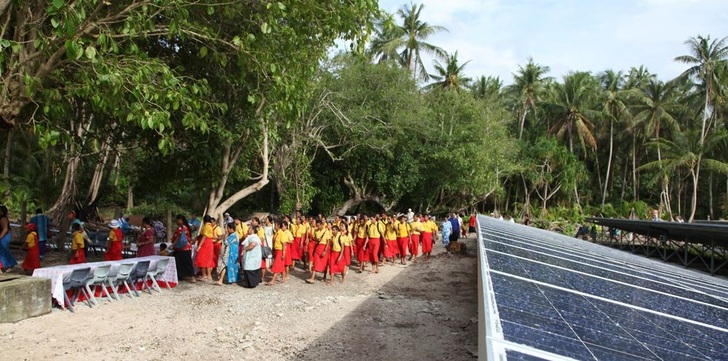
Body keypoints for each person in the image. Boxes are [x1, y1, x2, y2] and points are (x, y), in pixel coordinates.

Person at [172, 214, 195, 283]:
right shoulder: (187, 227)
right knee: (181, 262)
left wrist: (173, 244)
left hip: (182, 248)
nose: (176, 221)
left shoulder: (181, 228)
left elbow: (178, 237)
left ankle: (191, 276)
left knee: (185, 262)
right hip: (185, 248)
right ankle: (181, 275)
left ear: (181, 220)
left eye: (177, 220)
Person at [306, 219, 330, 284]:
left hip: (324, 247)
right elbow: (313, 238)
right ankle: (312, 278)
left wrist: (325, 250)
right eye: (317, 226)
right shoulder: (316, 231)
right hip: (317, 247)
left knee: (324, 263)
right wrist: (317, 239)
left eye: (319, 226)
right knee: (316, 262)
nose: (318, 227)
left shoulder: (326, 231)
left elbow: (328, 242)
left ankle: (324, 276)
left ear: (322, 225)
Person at [267, 220, 289, 286]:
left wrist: (283, 254)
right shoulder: (276, 233)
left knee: (276, 264)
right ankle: (283, 277)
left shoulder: (281, 233)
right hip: (276, 250)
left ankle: (273, 280)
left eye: (275, 225)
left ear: (278, 226)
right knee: (281, 264)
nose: (274, 226)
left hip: (280, 251)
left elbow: (284, 244)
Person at [195, 215, 215, 282]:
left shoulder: (206, 226)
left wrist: (199, 246)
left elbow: (204, 237)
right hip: (209, 243)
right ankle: (209, 275)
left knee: (201, 258)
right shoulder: (210, 226)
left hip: (205, 244)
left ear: (204, 220)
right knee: (208, 259)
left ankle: (204, 275)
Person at [0, 206, 17, 272]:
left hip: (4, 237)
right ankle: (9, 264)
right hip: (4, 236)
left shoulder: (3, 218)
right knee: (4, 251)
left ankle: (6, 266)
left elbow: (5, 229)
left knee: (2, 252)